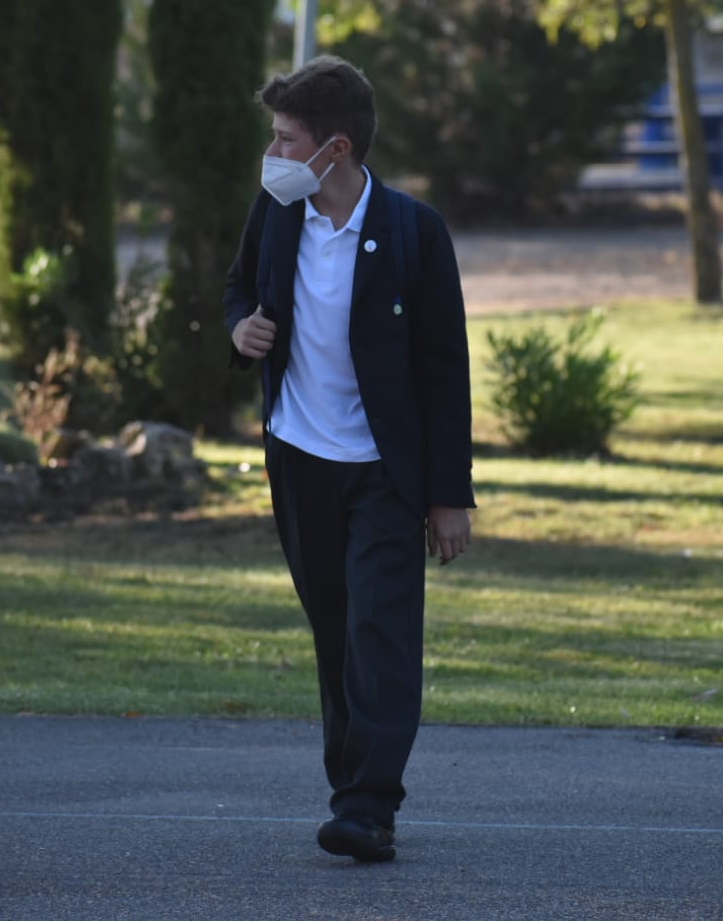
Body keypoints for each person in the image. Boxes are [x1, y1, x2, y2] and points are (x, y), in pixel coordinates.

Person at [224, 55, 474, 863]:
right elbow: (238, 292)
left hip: (383, 474)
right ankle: (349, 792)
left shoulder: (412, 231)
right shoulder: (274, 211)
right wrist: (242, 332)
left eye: (284, 140)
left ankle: (370, 806)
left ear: (333, 150)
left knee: (381, 633)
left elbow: (445, 369)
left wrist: (448, 496)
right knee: (333, 630)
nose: (272, 155)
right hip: (299, 460)